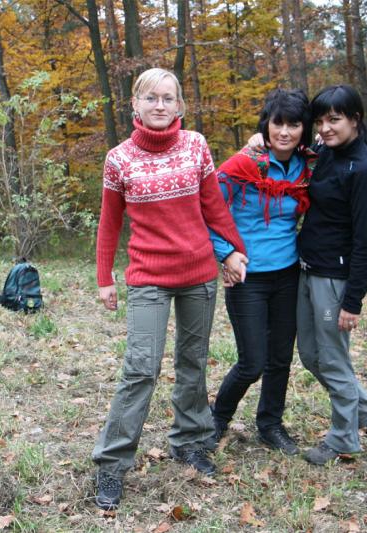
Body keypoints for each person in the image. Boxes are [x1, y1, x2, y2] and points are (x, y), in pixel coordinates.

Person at [91, 67, 248, 510]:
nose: (159, 105)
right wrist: (104, 277)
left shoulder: (196, 145)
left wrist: (234, 250)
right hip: (149, 277)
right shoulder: (119, 159)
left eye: (167, 98)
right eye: (150, 98)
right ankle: (112, 463)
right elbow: (110, 222)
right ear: (135, 104)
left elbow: (213, 206)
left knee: (193, 362)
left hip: (198, 274)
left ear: (179, 104)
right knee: (141, 368)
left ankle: (190, 442)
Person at [208, 89, 317, 455]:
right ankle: (217, 419)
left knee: (280, 358)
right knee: (252, 361)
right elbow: (208, 209)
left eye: (294, 124)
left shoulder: (308, 165)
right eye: (278, 123)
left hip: (288, 274)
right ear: (266, 125)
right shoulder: (244, 163)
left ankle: (270, 425)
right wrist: (225, 254)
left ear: (304, 129)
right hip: (247, 276)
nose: (285, 132)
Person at [294, 85, 367, 465]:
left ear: (355, 119)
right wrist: (259, 141)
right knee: (310, 355)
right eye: (320, 121)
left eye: (334, 120)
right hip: (307, 268)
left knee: (334, 361)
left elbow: (366, 242)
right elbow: (294, 149)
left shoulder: (364, 171)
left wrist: (353, 301)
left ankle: (343, 438)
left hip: (334, 279)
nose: (325, 128)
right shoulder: (325, 151)